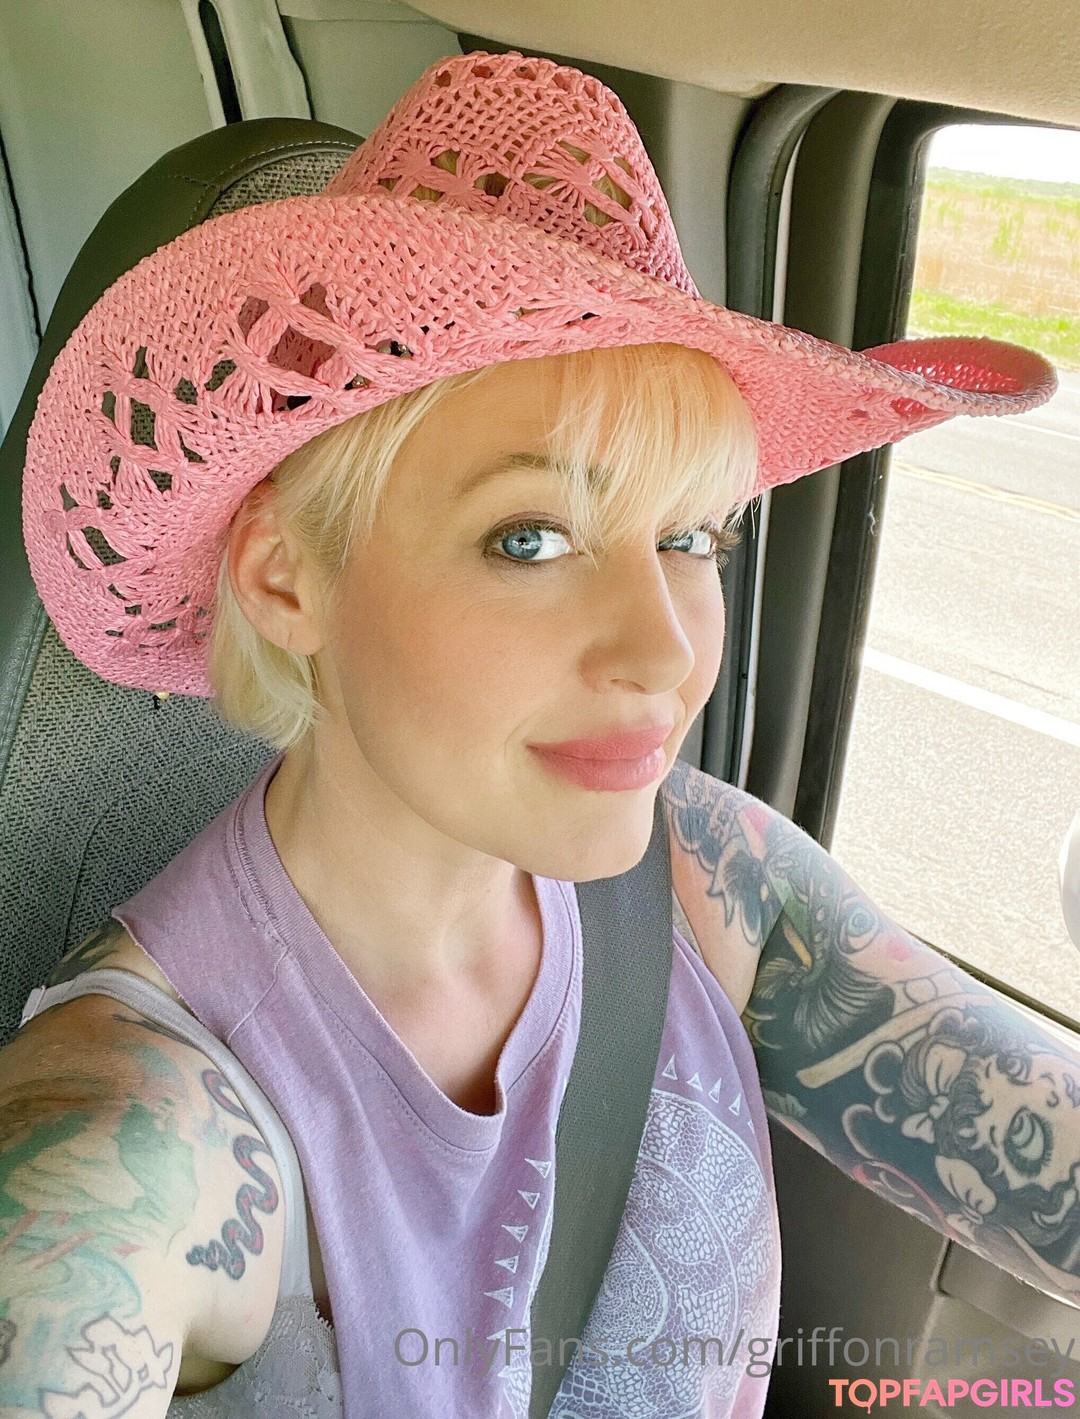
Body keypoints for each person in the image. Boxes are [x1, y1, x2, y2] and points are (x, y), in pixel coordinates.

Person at [2, 45, 1073, 1419]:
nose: (664, 650)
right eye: (532, 538)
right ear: (286, 580)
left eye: (693, 536)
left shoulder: (711, 876)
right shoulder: (134, 1149)